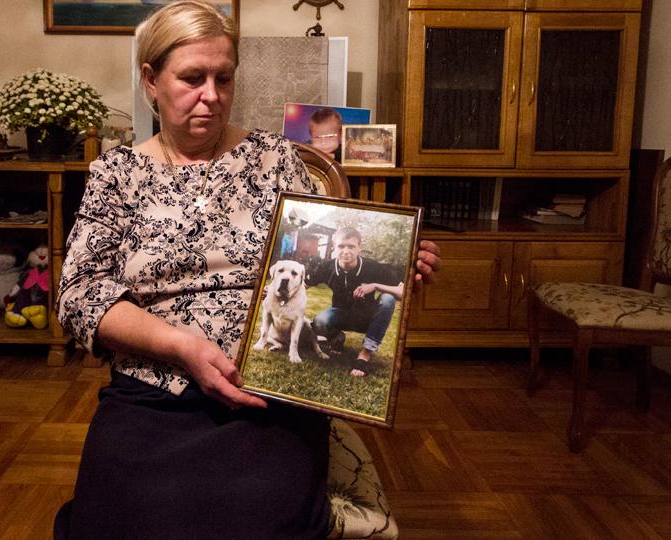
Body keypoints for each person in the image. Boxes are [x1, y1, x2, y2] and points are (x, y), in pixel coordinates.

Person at [55, 2, 440, 538]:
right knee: (117, 522)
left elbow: (323, 255)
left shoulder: (276, 159)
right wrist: (182, 347)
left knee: (255, 518)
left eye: (224, 78)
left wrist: (399, 262)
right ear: (151, 80)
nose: (212, 95)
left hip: (263, 392)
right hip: (153, 390)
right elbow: (79, 295)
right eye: (192, 78)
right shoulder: (116, 173)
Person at [306, 227, 405, 377]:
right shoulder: (327, 267)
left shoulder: (372, 266)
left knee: (388, 298)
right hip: (341, 315)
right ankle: (337, 337)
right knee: (319, 322)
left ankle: (365, 354)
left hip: (367, 317)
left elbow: (402, 292)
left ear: (359, 247)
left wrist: (375, 286)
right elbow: (303, 285)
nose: (346, 251)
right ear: (334, 247)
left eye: (351, 246)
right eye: (341, 246)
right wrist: (276, 291)